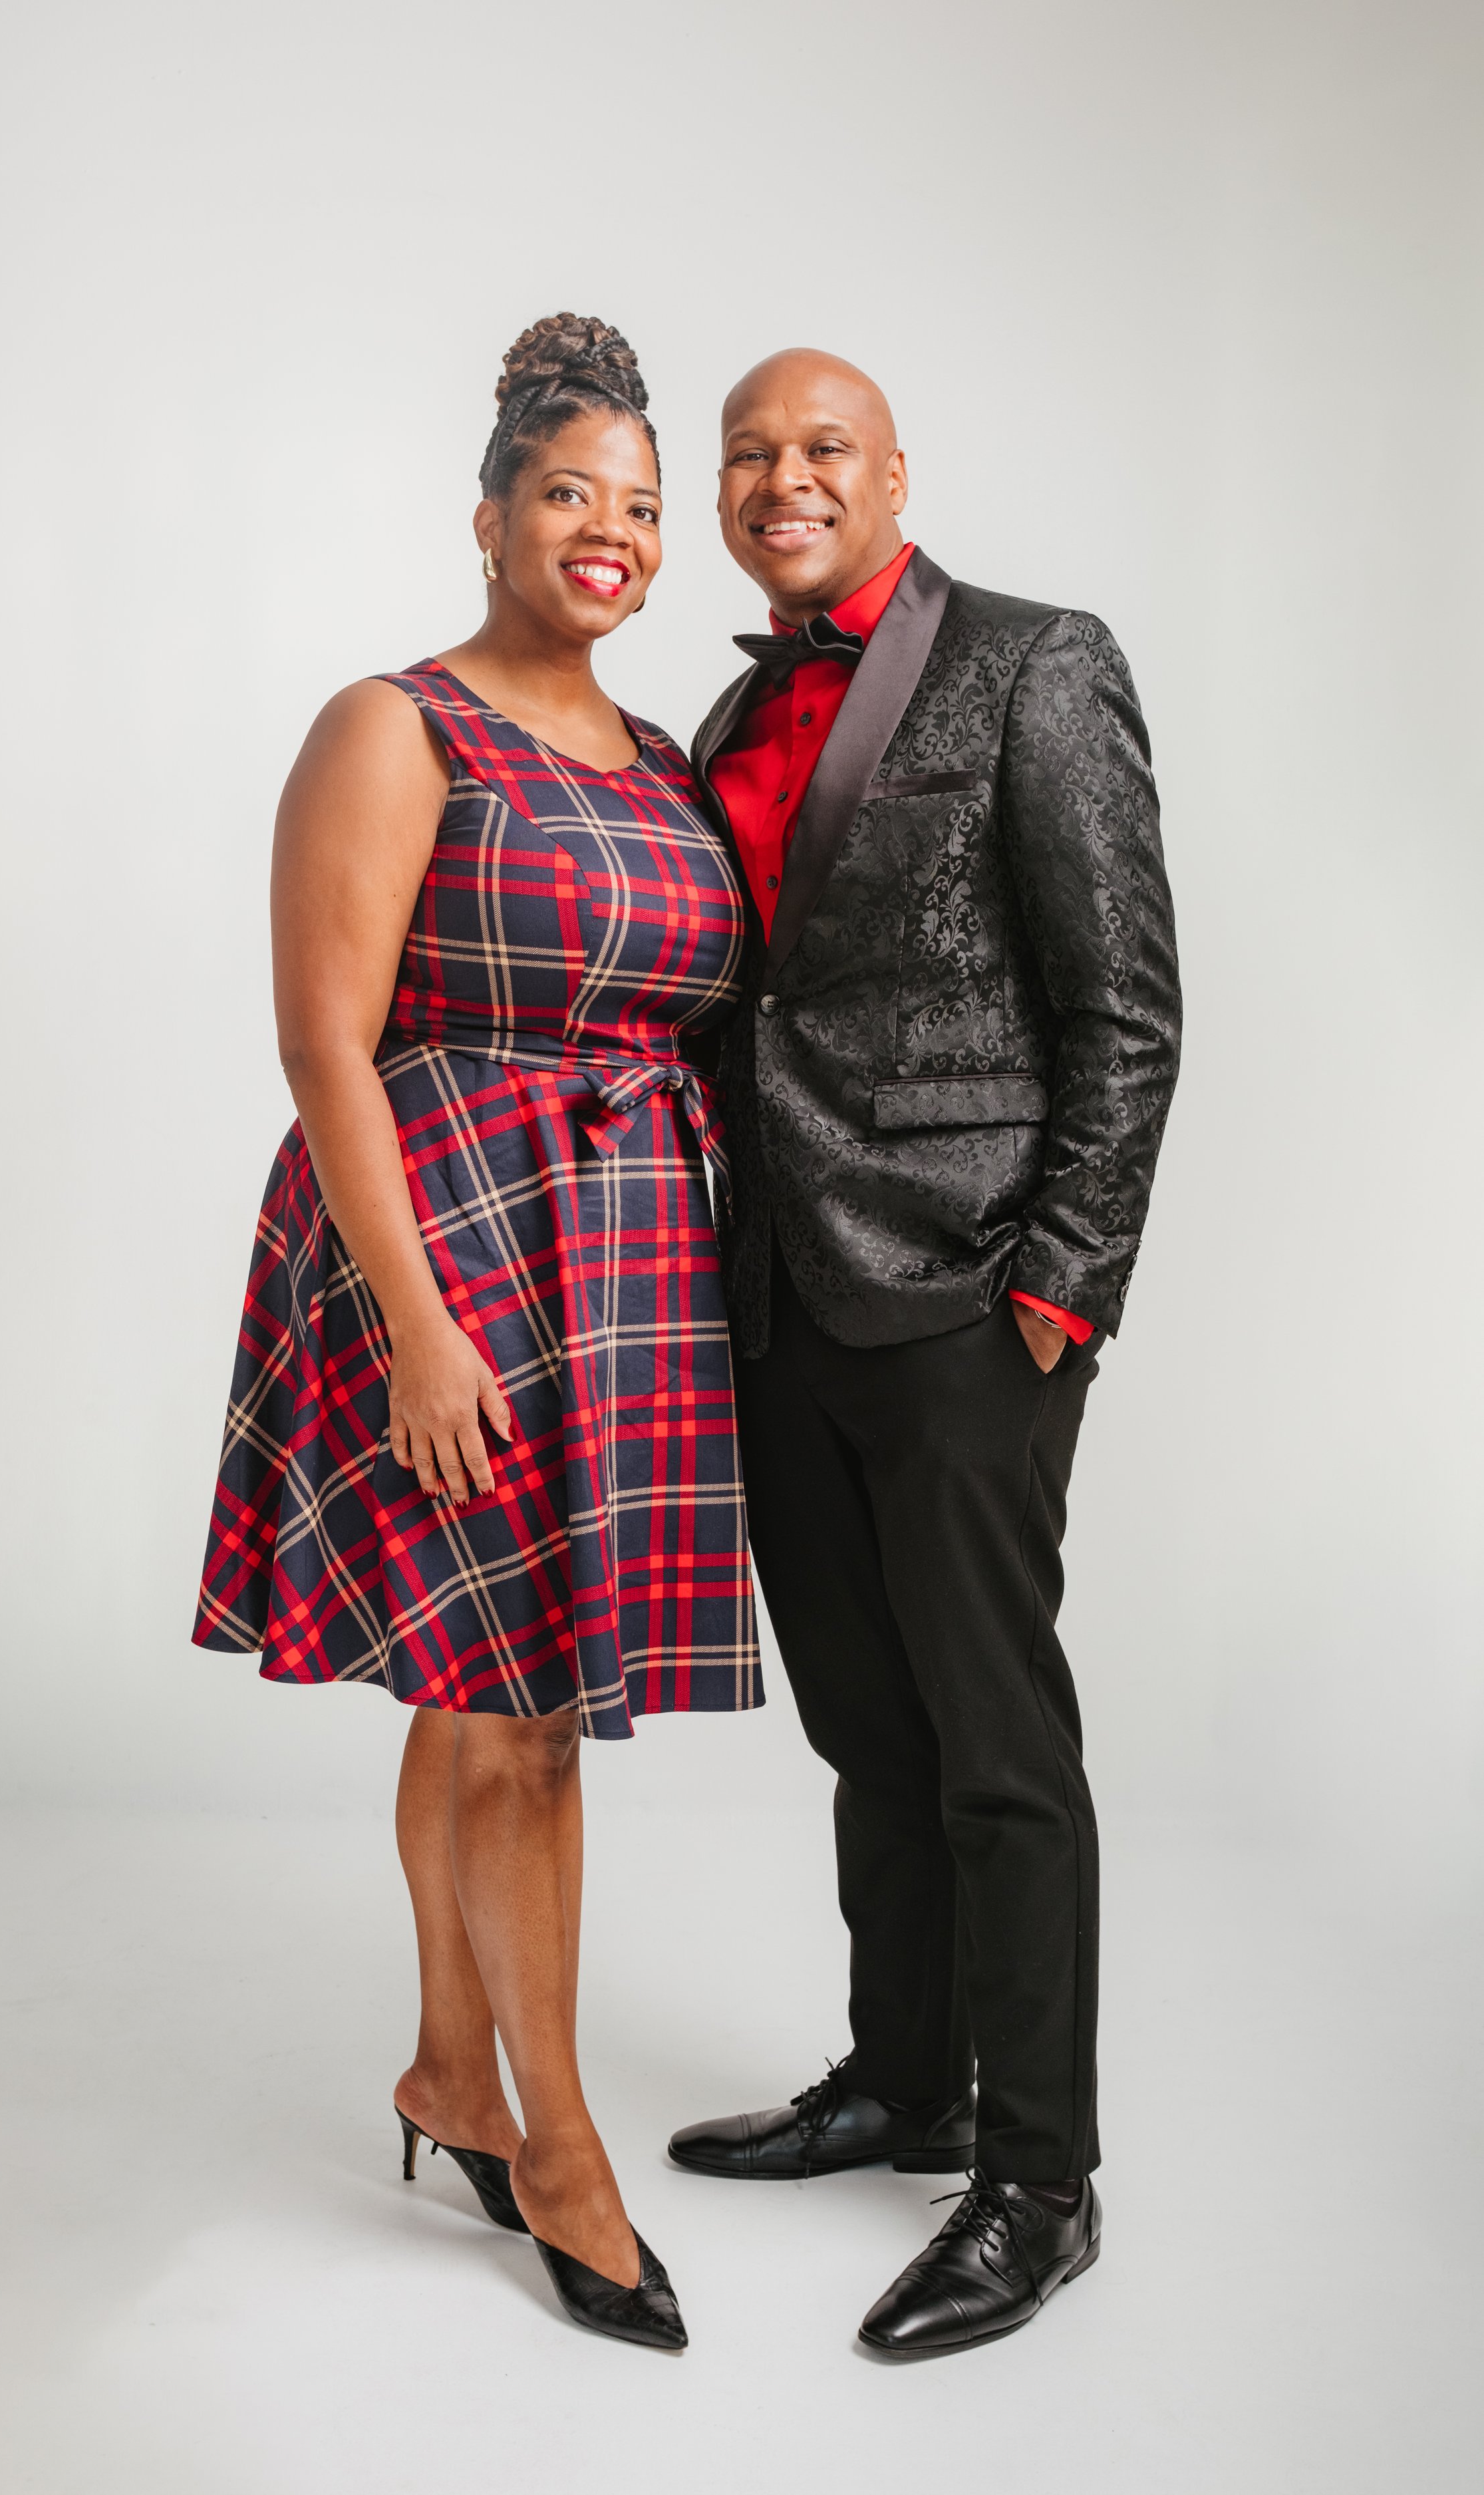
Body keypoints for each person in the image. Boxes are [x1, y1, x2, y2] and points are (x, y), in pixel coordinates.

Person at [194, 314, 762, 2352]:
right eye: (566, 493)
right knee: (519, 1717)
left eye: (638, 504)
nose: (608, 530)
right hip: (444, 1245)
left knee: (478, 1687)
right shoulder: (394, 724)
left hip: (624, 1266)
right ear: (489, 517)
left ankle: (450, 2067)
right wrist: (417, 1330)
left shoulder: (663, 759)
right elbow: (320, 1043)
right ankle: (565, 2155)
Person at [667, 350, 1181, 2356]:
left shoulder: (1039, 664)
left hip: (973, 1297)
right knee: (865, 1735)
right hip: (776, 1299)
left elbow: (1125, 1003)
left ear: (893, 474)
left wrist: (1063, 1281)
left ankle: (1040, 2182)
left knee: (996, 1753)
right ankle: (906, 2084)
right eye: (748, 454)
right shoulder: (733, 710)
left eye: (820, 449)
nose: (779, 479)